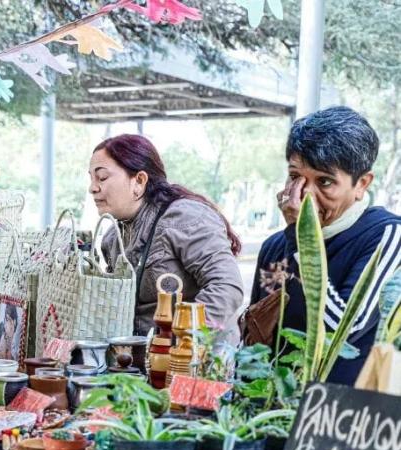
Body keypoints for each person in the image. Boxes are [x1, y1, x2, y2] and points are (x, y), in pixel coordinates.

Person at [251, 106, 401, 384]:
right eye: (296, 176)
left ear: (362, 184)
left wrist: (301, 238)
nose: (305, 194)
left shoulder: (387, 236)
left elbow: (342, 335)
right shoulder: (274, 247)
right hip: (273, 414)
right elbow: (254, 343)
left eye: (325, 181)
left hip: (341, 416)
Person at [90, 134, 245, 343]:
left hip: (199, 362)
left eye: (102, 178)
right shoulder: (112, 239)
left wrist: (180, 339)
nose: (92, 188)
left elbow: (227, 286)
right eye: (91, 179)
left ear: (139, 181)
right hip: (142, 363)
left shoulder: (183, 218)